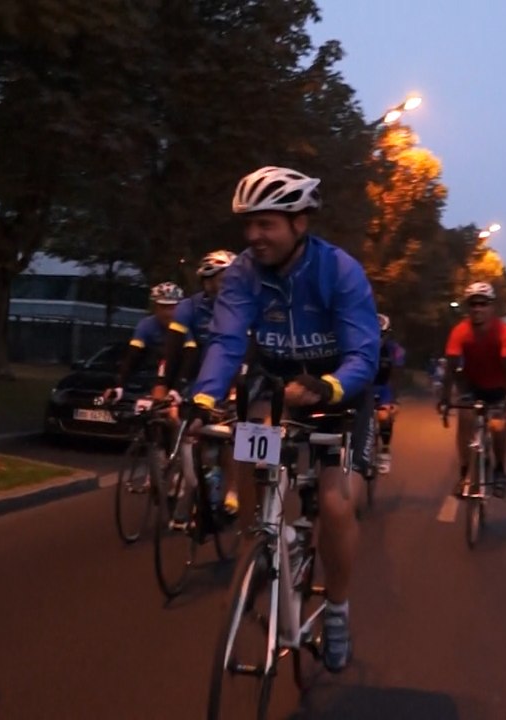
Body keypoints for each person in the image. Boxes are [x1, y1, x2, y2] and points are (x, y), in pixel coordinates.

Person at [187, 166, 379, 673]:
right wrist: (203, 399)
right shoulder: (244, 273)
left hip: (337, 394)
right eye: (248, 224)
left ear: (300, 222)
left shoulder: (339, 271)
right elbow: (227, 340)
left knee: (336, 507)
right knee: (249, 448)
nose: (253, 236)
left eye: (265, 223)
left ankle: (336, 610)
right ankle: (264, 541)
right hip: (274, 392)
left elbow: (364, 353)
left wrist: (328, 386)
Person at [157, 250, 240, 526]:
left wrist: (238, 387)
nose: (230, 284)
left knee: (235, 432)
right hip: (201, 379)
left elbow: (250, 351)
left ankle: (233, 489)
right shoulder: (189, 308)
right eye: (224, 279)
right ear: (208, 281)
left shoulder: (244, 306)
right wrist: (167, 386)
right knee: (191, 431)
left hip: (238, 378)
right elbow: (174, 348)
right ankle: (193, 486)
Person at [441, 282, 506, 498]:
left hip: (498, 386)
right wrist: (445, 398)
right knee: (465, 419)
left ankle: (500, 469)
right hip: (471, 385)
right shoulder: (460, 331)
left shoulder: (503, 331)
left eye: (483, 304)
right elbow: (450, 366)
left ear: (491, 307)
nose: (477, 309)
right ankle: (464, 473)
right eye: (473, 304)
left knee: (498, 426)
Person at [101, 281, 184, 404]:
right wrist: (119, 385)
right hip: (155, 370)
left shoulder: (185, 324)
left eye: (172, 308)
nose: (168, 313)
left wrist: (175, 387)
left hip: (183, 370)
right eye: (163, 307)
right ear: (155, 307)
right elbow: (132, 355)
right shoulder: (146, 325)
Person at [373, 313, 405, 474]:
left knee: (384, 416)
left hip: (384, 385)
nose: (379, 339)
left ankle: (385, 450)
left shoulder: (395, 350)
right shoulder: (360, 344)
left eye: (382, 335)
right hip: (364, 386)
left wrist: (394, 400)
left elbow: (396, 377)